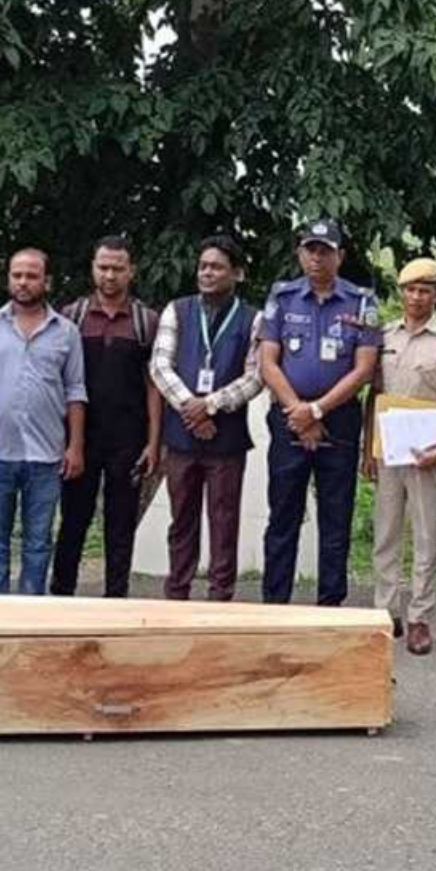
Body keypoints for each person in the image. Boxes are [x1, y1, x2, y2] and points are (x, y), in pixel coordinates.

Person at [258, 220, 382, 606]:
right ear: (299, 253)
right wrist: (299, 411)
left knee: (335, 517)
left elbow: (363, 370)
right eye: (310, 249)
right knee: (282, 516)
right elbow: (268, 362)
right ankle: (275, 605)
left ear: (340, 256)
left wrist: (316, 411)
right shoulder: (282, 296)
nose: (316, 256)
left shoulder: (363, 302)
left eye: (325, 250)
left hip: (338, 420)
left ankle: (330, 606)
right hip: (288, 417)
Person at [0, 248, 88, 594]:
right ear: (8, 279)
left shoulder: (66, 332)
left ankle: (31, 611)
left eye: (31, 275)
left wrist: (75, 447)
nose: (23, 282)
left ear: (45, 281)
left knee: (38, 543)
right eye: (17, 275)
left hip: (46, 456)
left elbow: (76, 391)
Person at [361, 258, 436, 655]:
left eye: (425, 290)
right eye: (410, 289)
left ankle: (420, 616)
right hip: (389, 450)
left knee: (426, 536)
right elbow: (373, 395)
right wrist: (367, 448)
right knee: (386, 532)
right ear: (401, 292)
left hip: (428, 453)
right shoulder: (385, 336)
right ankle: (385, 612)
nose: (416, 297)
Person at [149, 236, 265, 601]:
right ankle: (177, 594)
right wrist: (192, 407)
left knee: (223, 520)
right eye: (203, 266)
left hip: (226, 439)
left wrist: (210, 405)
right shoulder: (177, 310)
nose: (207, 273)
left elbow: (256, 376)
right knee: (181, 518)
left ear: (237, 273)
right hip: (182, 437)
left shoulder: (253, 319)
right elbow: (160, 365)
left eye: (216, 266)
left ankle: (220, 597)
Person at [50, 236, 161, 597]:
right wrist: (65, 440)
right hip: (79, 438)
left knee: (121, 524)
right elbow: (58, 380)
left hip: (128, 439)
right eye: (103, 267)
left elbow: (154, 385)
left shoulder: (147, 321)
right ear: (93, 269)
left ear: (132, 272)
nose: (109, 275)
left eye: (117, 268)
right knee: (73, 522)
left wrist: (153, 442)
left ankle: (116, 601)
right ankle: (61, 598)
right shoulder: (72, 316)